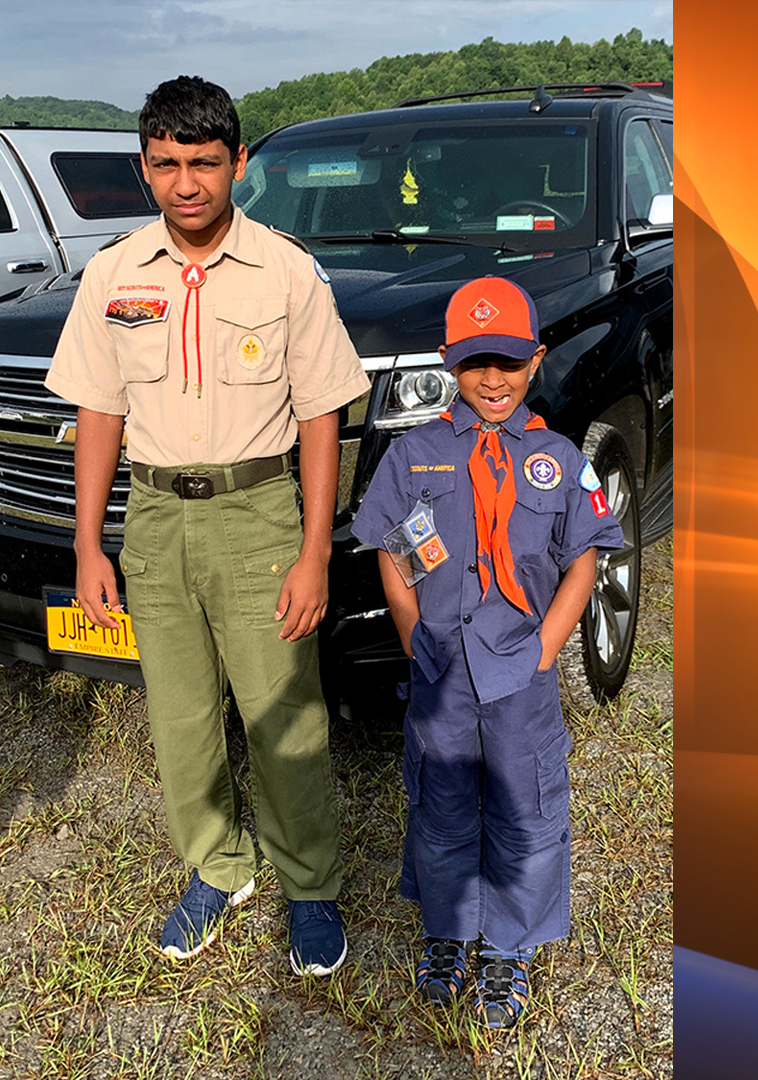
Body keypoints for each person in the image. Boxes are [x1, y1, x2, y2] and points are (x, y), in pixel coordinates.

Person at [44, 75, 368, 977]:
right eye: (166, 165)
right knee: (180, 719)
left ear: (240, 164)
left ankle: (309, 887)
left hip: (259, 517)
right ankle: (218, 867)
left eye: (205, 163)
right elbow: (101, 413)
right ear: (143, 168)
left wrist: (312, 551)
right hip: (154, 521)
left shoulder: (286, 270)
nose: (186, 184)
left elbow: (320, 417)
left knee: (282, 716)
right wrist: (87, 543)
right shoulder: (113, 276)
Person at [350, 277, 626, 1027]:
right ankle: (448, 934)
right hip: (441, 669)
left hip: (520, 671)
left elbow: (586, 556)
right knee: (440, 807)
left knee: (524, 808)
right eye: (476, 363)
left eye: (507, 361)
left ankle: (508, 948)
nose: (492, 379)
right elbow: (386, 543)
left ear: (535, 361)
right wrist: (410, 631)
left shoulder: (558, 458)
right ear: (450, 361)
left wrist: (548, 645)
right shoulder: (417, 454)